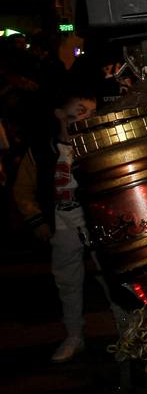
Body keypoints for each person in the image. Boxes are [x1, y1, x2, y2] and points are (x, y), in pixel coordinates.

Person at [11, 82, 99, 362]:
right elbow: (22, 188)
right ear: (60, 114)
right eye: (80, 111)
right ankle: (74, 334)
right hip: (62, 223)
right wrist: (36, 219)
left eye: (91, 113)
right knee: (68, 281)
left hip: (97, 222)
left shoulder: (97, 144)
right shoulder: (41, 150)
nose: (86, 118)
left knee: (112, 275)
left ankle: (128, 330)